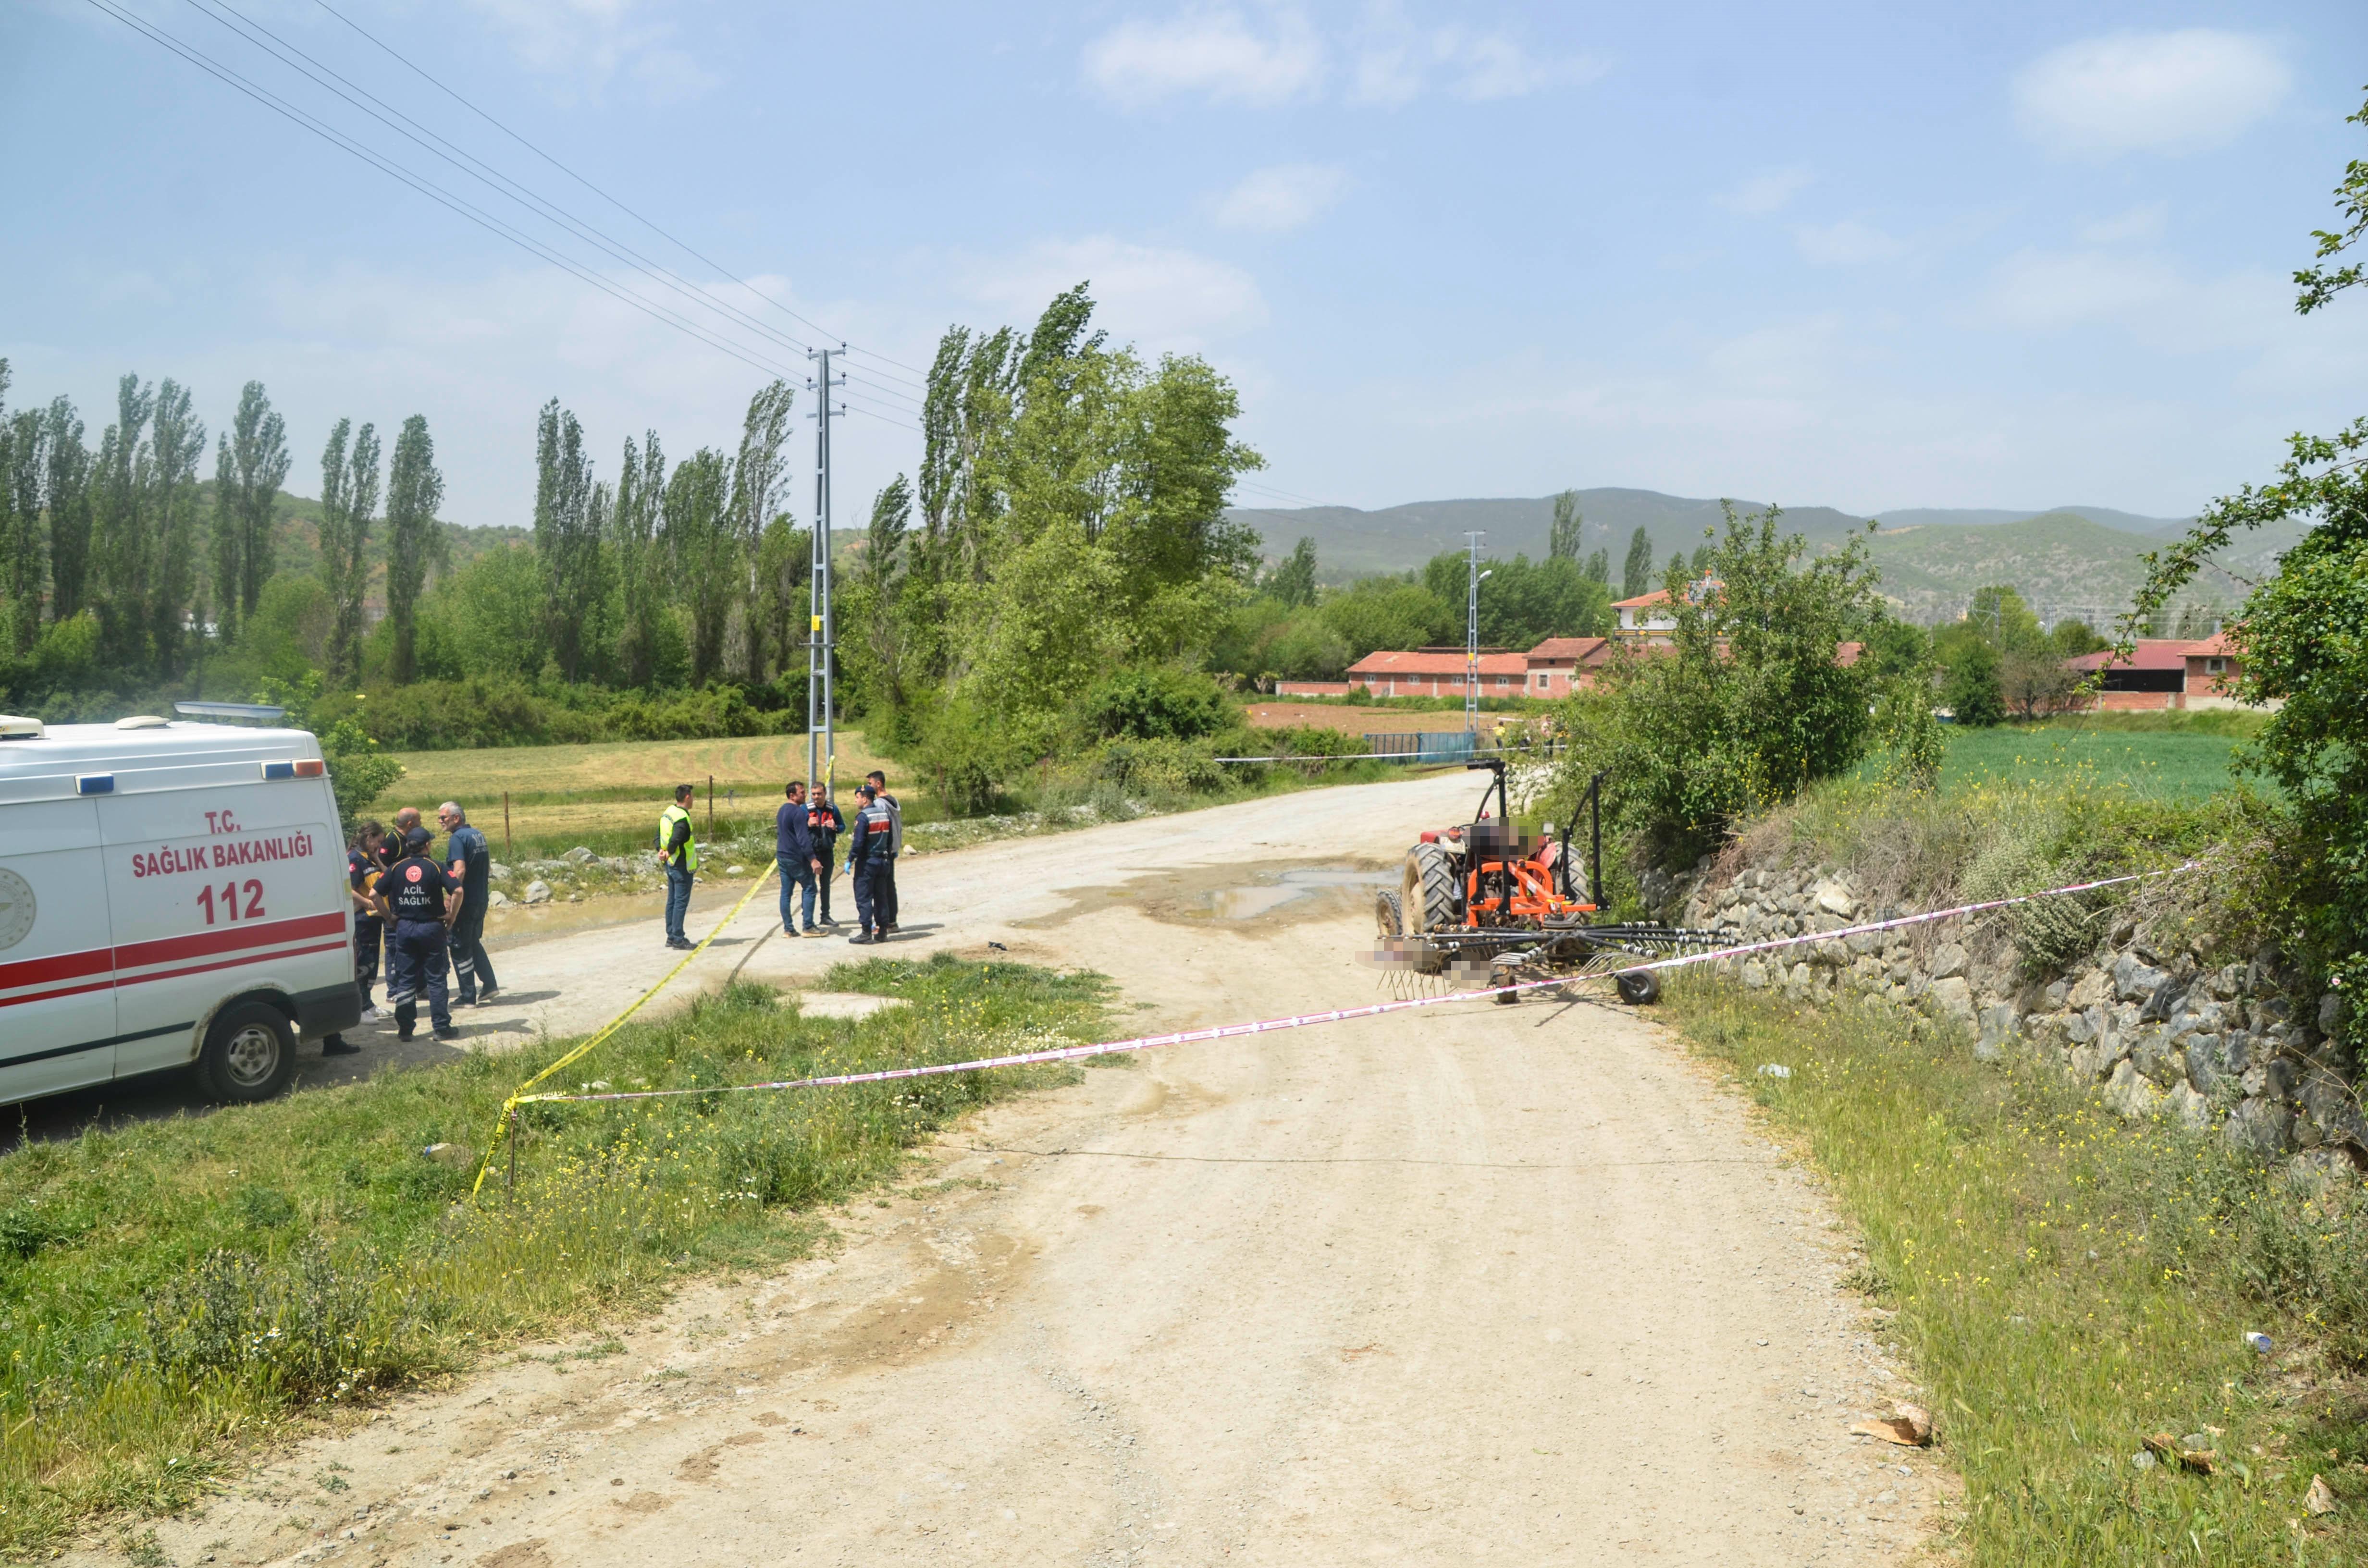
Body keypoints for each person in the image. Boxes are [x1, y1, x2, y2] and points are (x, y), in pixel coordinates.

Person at [378, 825, 462, 1042]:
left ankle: (406, 1029)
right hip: (432, 928)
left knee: (406, 980)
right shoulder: (436, 866)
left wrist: (388, 917)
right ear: (427, 846)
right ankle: (442, 1028)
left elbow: (373, 894)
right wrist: (451, 916)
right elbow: (458, 890)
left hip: (404, 928)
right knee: (436, 979)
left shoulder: (396, 867)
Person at [324, 820, 386, 1057]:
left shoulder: (369, 857)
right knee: (363, 963)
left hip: (374, 919)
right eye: (378, 842)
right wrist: (368, 903)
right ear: (369, 837)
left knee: (372, 963)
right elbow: (347, 888)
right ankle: (360, 1008)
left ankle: (369, 1003)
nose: (379, 847)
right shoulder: (355, 859)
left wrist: (378, 857)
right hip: (361, 919)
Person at [438, 801, 498, 1005]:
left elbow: (460, 870)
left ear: (456, 818)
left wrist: (451, 896)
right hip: (480, 899)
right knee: (473, 942)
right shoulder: (477, 834)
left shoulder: (457, 838)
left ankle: (467, 996)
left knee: (459, 946)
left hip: (466, 901)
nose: (440, 822)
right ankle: (490, 986)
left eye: (443, 818)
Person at [845, 784, 894, 943]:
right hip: (884, 861)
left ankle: (866, 932)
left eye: (857, 797)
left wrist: (850, 859)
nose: (856, 800)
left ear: (865, 799)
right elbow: (890, 839)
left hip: (868, 863)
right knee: (881, 897)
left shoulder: (863, 817)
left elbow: (858, 843)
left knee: (863, 897)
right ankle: (883, 932)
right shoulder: (884, 814)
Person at [776, 781, 825, 936]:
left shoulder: (782, 810)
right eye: (802, 793)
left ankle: (788, 929)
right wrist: (813, 860)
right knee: (810, 887)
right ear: (792, 795)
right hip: (795, 858)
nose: (806, 795)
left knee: (786, 893)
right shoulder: (799, 813)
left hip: (782, 856)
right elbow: (803, 839)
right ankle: (809, 927)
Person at [658, 783, 698, 950]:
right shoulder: (682, 818)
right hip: (681, 865)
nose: (694, 800)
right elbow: (677, 838)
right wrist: (669, 850)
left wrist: (661, 850)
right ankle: (678, 938)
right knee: (680, 902)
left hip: (670, 863)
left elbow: (659, 834)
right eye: (693, 797)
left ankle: (671, 936)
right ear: (687, 797)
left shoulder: (668, 812)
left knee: (672, 901)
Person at [864, 769, 902, 936]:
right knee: (890, 885)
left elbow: (882, 827)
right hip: (894, 848)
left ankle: (886, 923)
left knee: (882, 887)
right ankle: (892, 921)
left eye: (870, 784)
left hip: (885, 850)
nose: (868, 787)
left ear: (878, 784)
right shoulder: (893, 800)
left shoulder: (880, 804)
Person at [807, 784, 844, 927]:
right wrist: (808, 824)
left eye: (819, 794)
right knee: (809, 886)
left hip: (827, 851)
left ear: (825, 793)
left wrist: (835, 827)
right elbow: (797, 828)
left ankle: (826, 915)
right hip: (811, 853)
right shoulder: (806, 809)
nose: (816, 797)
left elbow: (843, 827)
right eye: (814, 794)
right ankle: (808, 918)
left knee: (826, 885)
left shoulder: (833, 809)